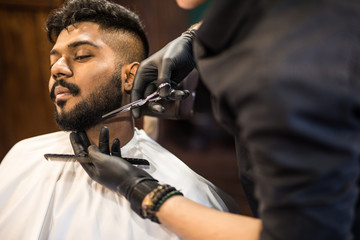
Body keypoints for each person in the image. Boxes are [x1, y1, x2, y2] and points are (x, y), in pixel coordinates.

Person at [70, 0, 360, 239]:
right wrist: (196, 37)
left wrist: (144, 192)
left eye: (82, 55)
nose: (59, 68)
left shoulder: (284, 67)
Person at [0, 0, 238, 239]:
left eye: (81, 55)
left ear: (130, 76)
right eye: (54, 60)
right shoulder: (22, 156)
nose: (57, 69)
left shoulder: (190, 193)